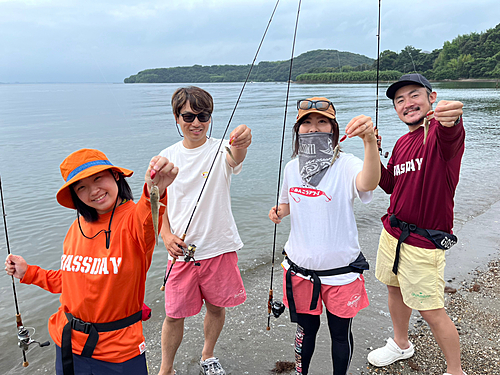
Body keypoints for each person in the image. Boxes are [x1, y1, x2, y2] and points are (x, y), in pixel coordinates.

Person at [4, 148, 178, 375]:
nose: (93, 191)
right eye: (81, 187)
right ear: (75, 195)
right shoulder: (75, 228)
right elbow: (73, 279)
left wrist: (155, 188)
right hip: (67, 342)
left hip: (119, 351)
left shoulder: (132, 220)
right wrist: (29, 273)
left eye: (98, 178)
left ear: (115, 176)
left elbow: (147, 218)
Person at [268, 97, 380, 375]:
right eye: (306, 122)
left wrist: (369, 142)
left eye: (322, 122)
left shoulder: (347, 164)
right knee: (306, 330)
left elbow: (368, 182)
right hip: (300, 270)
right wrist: (279, 212)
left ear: (333, 129)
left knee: (340, 334)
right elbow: (288, 203)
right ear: (297, 130)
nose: (313, 127)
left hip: (341, 273)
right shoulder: (291, 167)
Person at [367, 74, 466, 375]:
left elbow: (451, 130)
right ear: (396, 109)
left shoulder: (439, 134)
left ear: (431, 98)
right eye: (400, 100)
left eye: (415, 96)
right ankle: (400, 343)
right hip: (393, 233)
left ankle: (455, 371)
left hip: (423, 243)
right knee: (394, 288)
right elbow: (389, 185)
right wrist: (371, 147)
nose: (408, 104)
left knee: (432, 310)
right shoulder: (401, 142)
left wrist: (451, 118)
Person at [157, 86, 251, 375]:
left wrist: (243, 141)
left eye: (203, 115)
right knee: (173, 316)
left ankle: (208, 355)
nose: (196, 123)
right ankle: (166, 369)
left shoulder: (222, 148)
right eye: (188, 116)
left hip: (218, 247)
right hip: (181, 254)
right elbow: (157, 205)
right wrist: (166, 236)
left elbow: (237, 156)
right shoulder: (166, 156)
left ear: (210, 117)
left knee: (216, 307)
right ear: (176, 117)